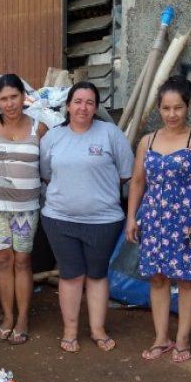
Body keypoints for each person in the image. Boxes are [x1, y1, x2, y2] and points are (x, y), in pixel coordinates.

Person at [126, 75, 191, 363]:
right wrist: (132, 218)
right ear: (158, 109)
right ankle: (161, 338)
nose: (171, 114)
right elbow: (138, 182)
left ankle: (182, 339)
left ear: (187, 106)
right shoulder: (147, 141)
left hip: (187, 220)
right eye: (166, 108)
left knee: (188, 280)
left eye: (177, 108)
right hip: (154, 219)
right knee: (158, 278)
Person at [40, 81, 134, 353]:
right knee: (70, 275)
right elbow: (46, 174)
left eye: (89, 102)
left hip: (103, 221)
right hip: (60, 219)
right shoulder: (53, 138)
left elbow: (126, 172)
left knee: (97, 274)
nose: (83, 107)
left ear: (96, 107)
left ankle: (97, 329)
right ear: (68, 106)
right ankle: (70, 331)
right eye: (77, 101)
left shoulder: (110, 134)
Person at [0, 74, 48, 345]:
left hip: (26, 208)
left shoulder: (39, 129)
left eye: (13, 96)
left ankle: (23, 318)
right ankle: (7, 317)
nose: (9, 103)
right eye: (3, 98)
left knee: (23, 261)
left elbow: (48, 169)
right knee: (3, 261)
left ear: (22, 97)